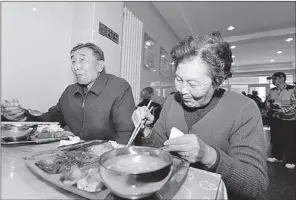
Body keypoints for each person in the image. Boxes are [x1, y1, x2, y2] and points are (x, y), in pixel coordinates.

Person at [132, 31, 268, 200]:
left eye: (193, 83)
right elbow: (158, 150)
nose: (182, 91)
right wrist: (146, 131)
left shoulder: (243, 109)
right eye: (179, 79)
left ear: (217, 81)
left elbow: (257, 184)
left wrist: (209, 155)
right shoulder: (171, 102)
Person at [1, 43, 135, 144]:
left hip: (106, 159)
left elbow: (126, 134)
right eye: (73, 61)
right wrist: (22, 116)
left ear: (100, 66)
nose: (76, 67)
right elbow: (50, 119)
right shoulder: (69, 91)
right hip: (73, 154)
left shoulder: (119, 87)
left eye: (82, 60)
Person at [266, 72, 296, 169]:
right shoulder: (272, 90)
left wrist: (283, 111)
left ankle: (291, 160)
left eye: (274, 78)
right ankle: (277, 157)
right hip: (275, 119)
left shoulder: (292, 89)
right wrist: (270, 107)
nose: (273, 81)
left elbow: (294, 104)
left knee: (289, 140)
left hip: (289, 119)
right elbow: (267, 102)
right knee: (275, 139)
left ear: (282, 78)